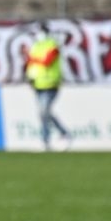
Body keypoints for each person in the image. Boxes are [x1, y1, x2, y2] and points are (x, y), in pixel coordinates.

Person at [26, 22, 71, 150]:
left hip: (51, 84)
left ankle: (48, 139)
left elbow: (46, 61)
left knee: (44, 112)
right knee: (44, 113)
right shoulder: (36, 46)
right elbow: (31, 64)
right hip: (38, 85)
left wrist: (34, 59)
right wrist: (30, 78)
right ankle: (62, 134)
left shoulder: (53, 45)